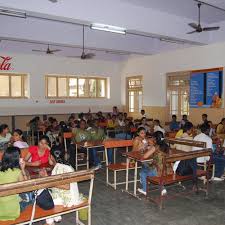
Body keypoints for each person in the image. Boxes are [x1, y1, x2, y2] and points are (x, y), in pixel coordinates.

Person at [0, 147, 32, 221]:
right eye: (20, 156)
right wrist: (23, 169)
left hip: (1, 210)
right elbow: (27, 188)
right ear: (17, 158)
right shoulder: (17, 172)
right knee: (32, 198)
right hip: (13, 211)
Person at [138, 131, 172, 195]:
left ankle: (144, 190)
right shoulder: (167, 146)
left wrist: (144, 151)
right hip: (167, 170)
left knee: (142, 172)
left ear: (155, 139)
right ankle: (162, 188)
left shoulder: (156, 147)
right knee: (146, 166)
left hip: (158, 171)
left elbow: (145, 156)